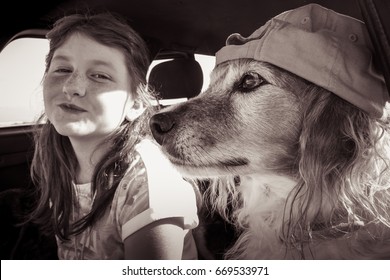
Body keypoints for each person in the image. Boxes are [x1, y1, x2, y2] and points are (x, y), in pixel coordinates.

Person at [28, 11, 199, 260]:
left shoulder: (150, 181)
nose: (71, 87)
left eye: (100, 76)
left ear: (136, 104)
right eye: (63, 69)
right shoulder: (55, 155)